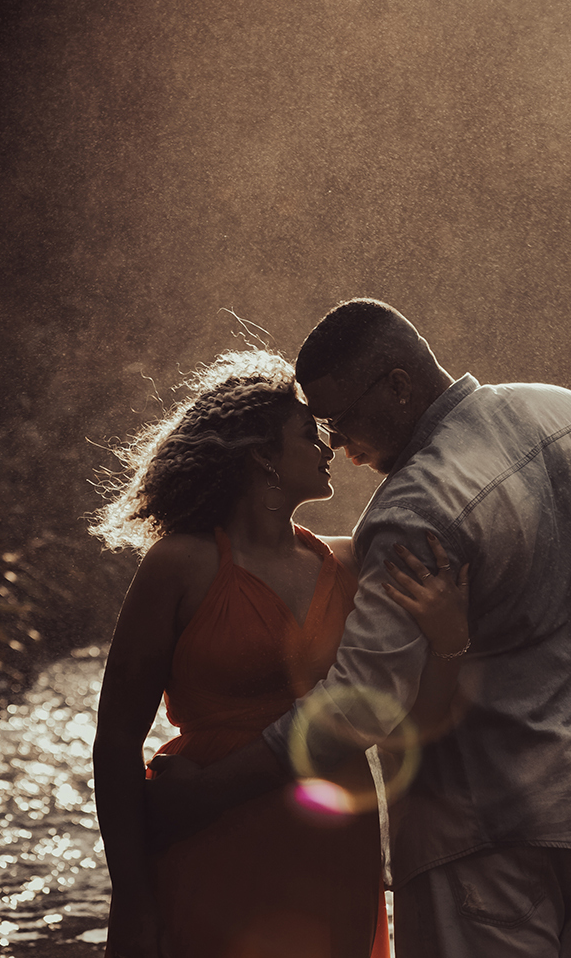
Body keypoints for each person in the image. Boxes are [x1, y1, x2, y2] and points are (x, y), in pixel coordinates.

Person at [149, 300, 571, 957]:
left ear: (397, 385)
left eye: (340, 418)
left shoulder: (415, 505)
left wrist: (206, 793)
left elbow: (359, 705)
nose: (336, 443)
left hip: (486, 834)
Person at [91, 347, 470, 958]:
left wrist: (450, 639)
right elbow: (115, 740)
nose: (329, 446)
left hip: (334, 842)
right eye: (308, 434)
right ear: (262, 455)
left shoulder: (353, 561)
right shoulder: (179, 565)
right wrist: (132, 898)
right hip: (210, 834)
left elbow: (407, 722)